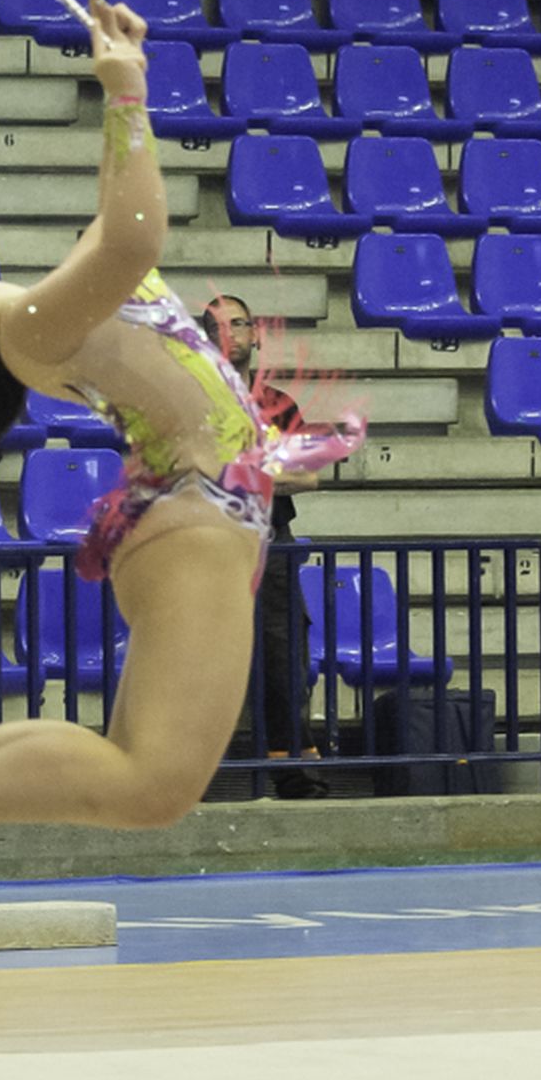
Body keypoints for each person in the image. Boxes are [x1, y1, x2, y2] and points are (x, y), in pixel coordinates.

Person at [0, 0, 364, 912]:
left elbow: (114, 218)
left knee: (133, 767)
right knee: (153, 787)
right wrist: (124, 91)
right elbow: (134, 234)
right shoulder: (28, 334)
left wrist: (120, 74)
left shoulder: (47, 318)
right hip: (197, 518)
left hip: (190, 514)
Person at [200, 293, 329, 800]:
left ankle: (295, 774)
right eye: (218, 325)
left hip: (271, 548)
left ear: (255, 335)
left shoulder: (278, 405)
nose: (230, 333)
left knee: (283, 663)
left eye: (239, 323)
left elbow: (308, 477)